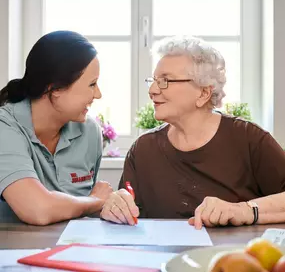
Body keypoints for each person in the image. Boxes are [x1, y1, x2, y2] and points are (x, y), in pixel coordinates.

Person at [100, 35, 285, 229]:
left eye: (166, 81)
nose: (153, 90)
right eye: (154, 80)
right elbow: (127, 212)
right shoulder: (143, 149)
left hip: (231, 258)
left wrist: (244, 210)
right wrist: (115, 208)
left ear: (204, 93)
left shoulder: (249, 139)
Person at [0, 30, 113, 225]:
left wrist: (109, 205)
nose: (98, 94)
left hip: (70, 250)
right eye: (92, 84)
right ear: (55, 88)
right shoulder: (5, 127)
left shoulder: (90, 132)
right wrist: (96, 200)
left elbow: (83, 208)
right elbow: (37, 209)